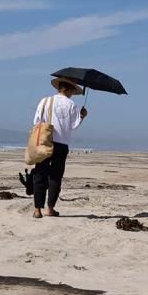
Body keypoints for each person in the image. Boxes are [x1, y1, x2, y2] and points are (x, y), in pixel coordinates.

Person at [31, 78, 88, 218]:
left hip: (45, 141)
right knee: (56, 177)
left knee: (40, 173)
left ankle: (37, 210)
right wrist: (82, 116)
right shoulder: (72, 105)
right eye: (73, 91)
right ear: (68, 89)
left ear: (59, 87)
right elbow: (73, 126)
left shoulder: (45, 101)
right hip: (62, 144)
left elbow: (36, 121)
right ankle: (50, 209)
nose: (73, 94)